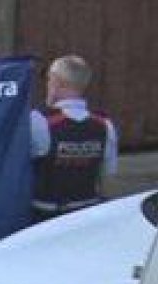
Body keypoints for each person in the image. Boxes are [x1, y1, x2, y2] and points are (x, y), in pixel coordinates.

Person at [30, 55, 118, 221]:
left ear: (56, 82)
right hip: (87, 216)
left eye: (49, 80)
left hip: (44, 218)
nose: (47, 85)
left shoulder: (39, 121)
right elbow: (108, 179)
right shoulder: (105, 125)